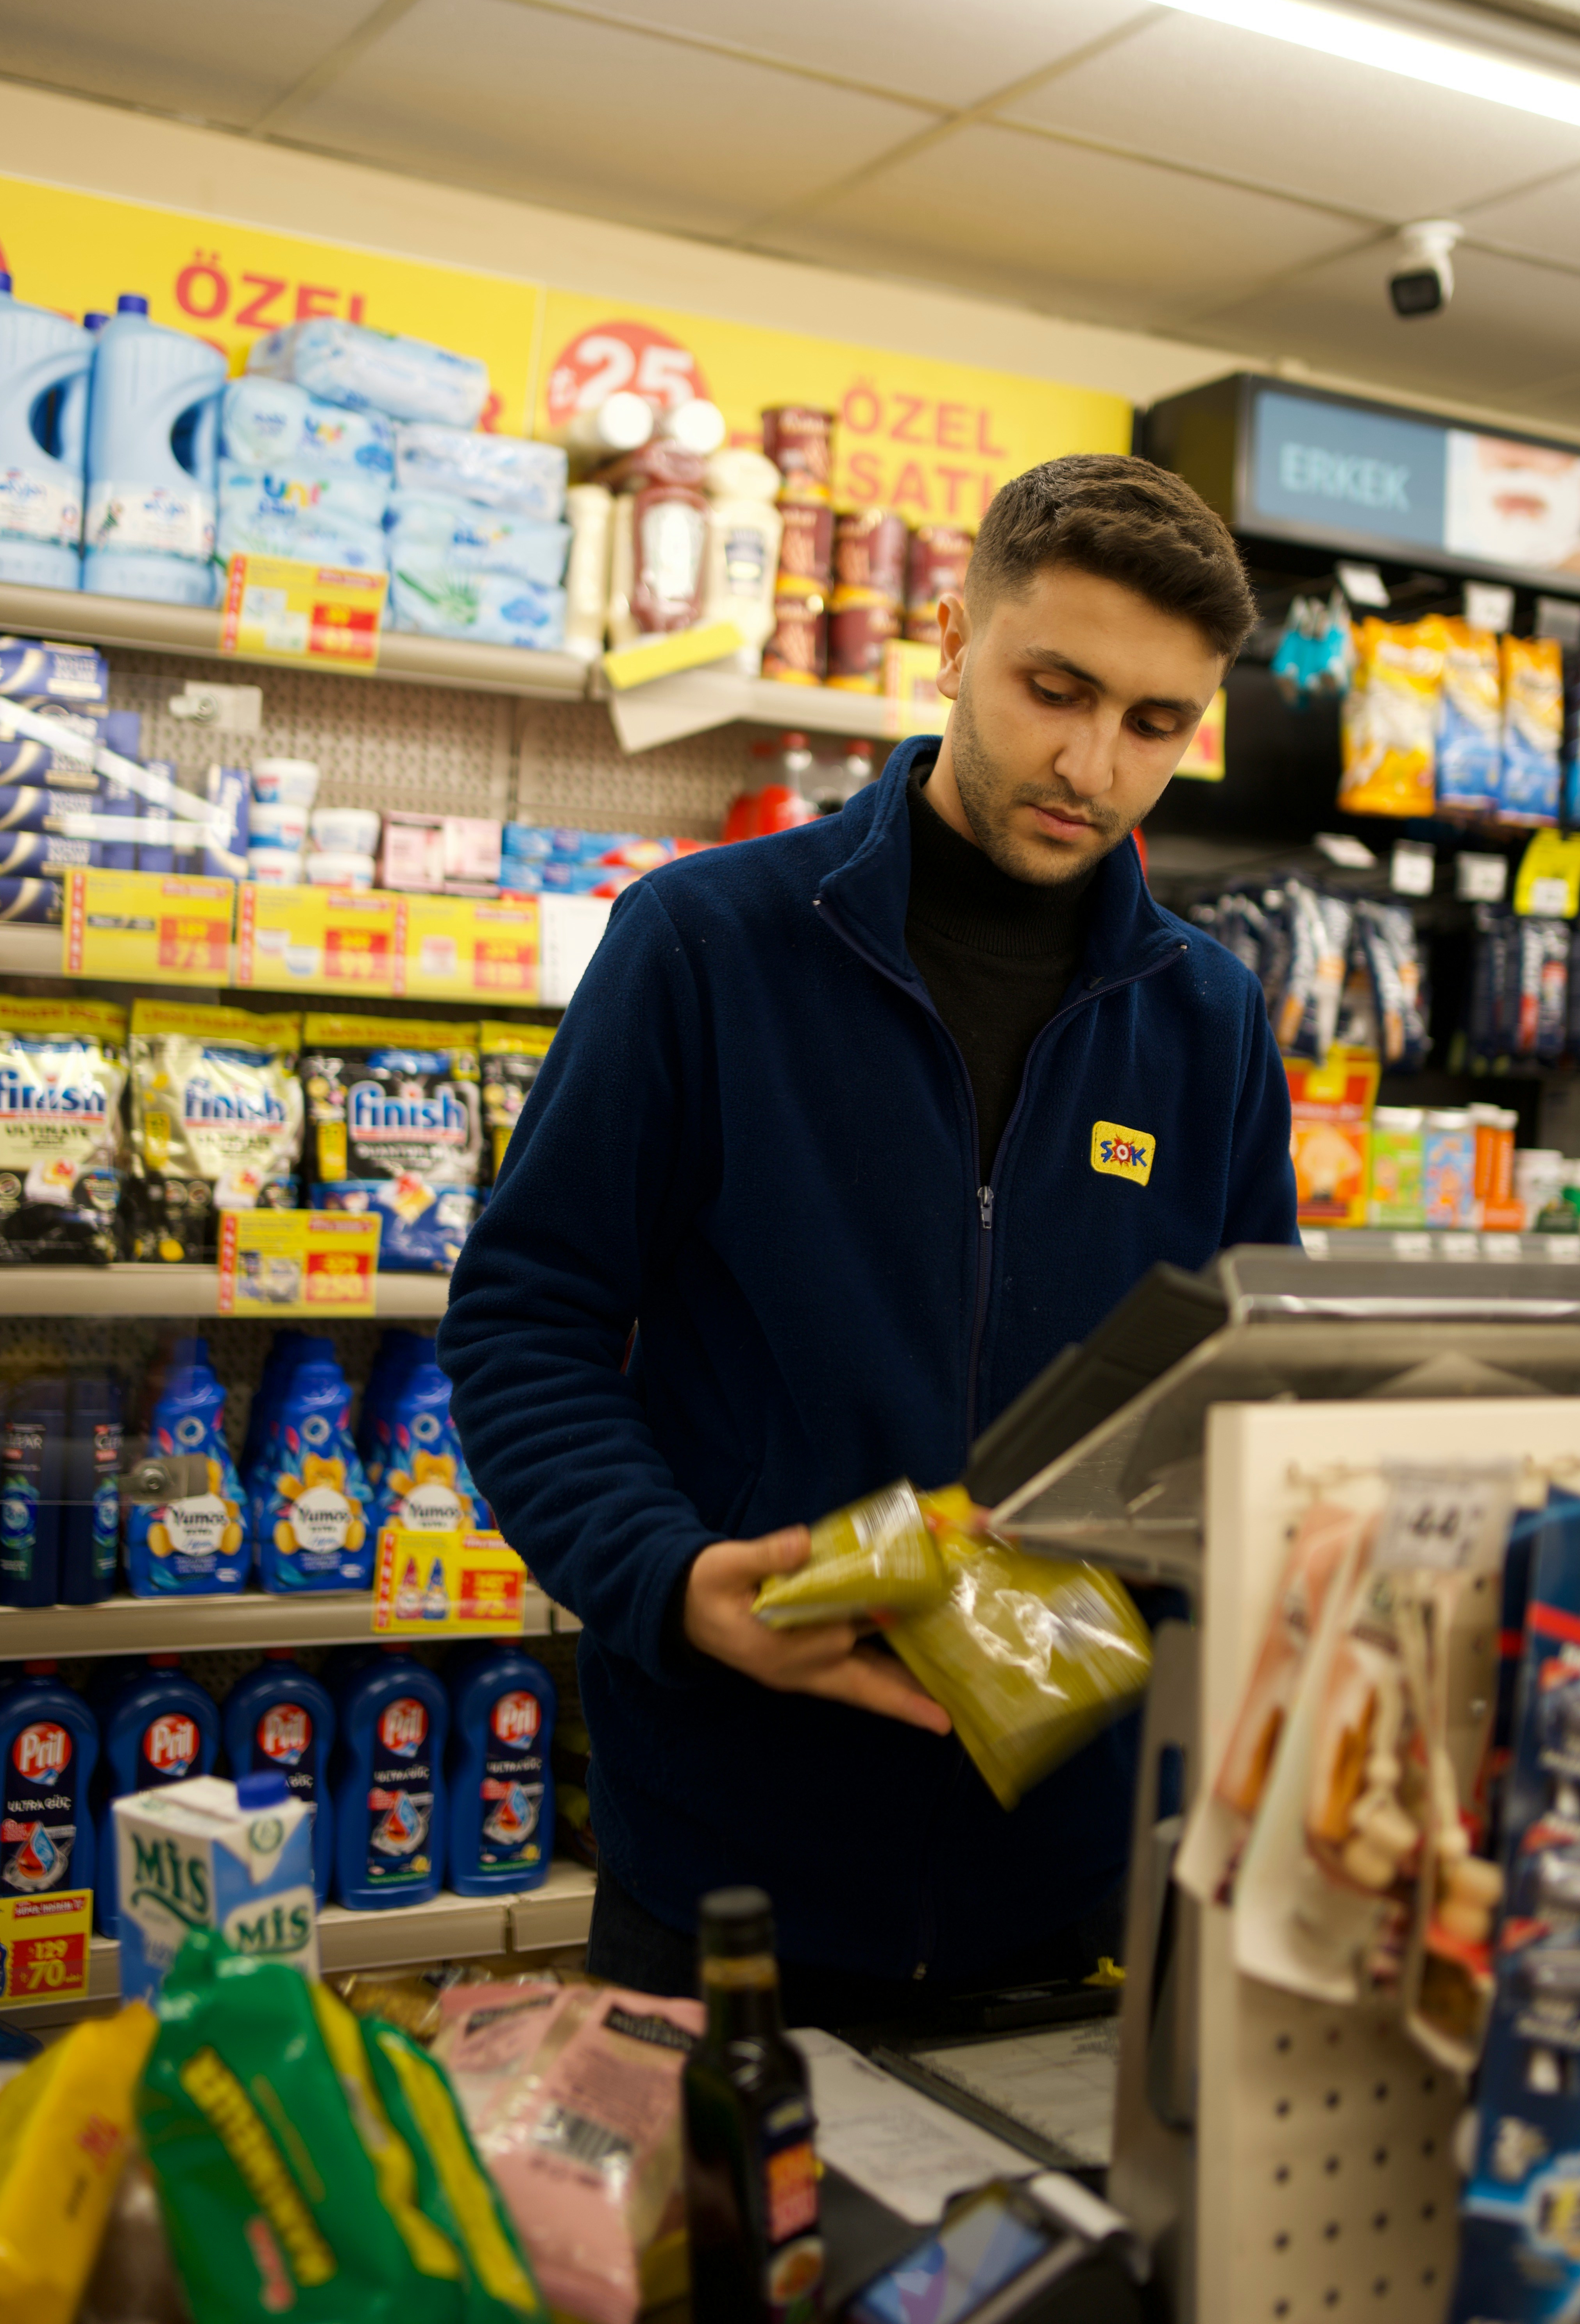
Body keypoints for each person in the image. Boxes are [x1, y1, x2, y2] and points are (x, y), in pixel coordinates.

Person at [441, 451, 1297, 2022]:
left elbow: (1239, 1406)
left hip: (1072, 1886)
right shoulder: (705, 943)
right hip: (727, 1871)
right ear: (957, 638)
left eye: (1152, 726)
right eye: (1056, 687)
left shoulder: (1210, 1023)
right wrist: (667, 1576)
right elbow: (526, 1322)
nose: (1092, 766)